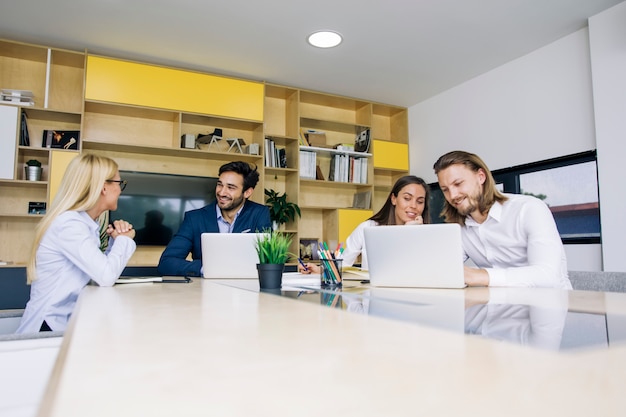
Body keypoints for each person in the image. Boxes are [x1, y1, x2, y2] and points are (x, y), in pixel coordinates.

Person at [16, 154, 136, 334]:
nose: (120, 190)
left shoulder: (84, 224)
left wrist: (115, 241)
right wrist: (125, 239)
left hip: (63, 324)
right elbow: (106, 276)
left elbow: (96, 273)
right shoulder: (69, 225)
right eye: (120, 183)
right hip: (47, 328)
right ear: (104, 187)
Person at [433, 150, 571, 289]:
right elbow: (443, 269)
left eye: (458, 184)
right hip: (499, 305)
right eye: (445, 189)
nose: (452, 195)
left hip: (549, 305)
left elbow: (548, 276)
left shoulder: (529, 209)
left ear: (481, 177)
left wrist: (480, 276)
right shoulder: (460, 228)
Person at [157, 161, 271, 277]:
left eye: (230, 187)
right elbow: (166, 263)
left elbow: (268, 260)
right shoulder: (195, 218)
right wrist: (206, 268)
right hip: (205, 290)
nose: (221, 192)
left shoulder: (259, 213)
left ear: (247, 192)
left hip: (247, 289)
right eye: (220, 184)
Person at [299, 175, 431, 273]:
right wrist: (320, 270)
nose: (414, 206)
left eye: (420, 201)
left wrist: (412, 235)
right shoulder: (368, 228)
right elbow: (344, 263)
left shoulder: (429, 234)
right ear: (394, 199)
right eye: (407, 198)